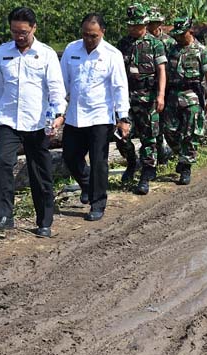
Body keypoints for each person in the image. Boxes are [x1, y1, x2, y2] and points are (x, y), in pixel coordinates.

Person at [0, 6, 66, 238]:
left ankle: (44, 220)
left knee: (39, 170)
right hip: (9, 120)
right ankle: (4, 215)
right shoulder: (3, 53)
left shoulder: (46, 54)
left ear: (34, 28)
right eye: (14, 32)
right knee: (3, 162)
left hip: (38, 122)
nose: (19, 36)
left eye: (23, 32)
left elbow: (56, 90)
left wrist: (57, 115)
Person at [60, 13, 129, 221]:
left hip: (100, 115)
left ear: (102, 33)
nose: (88, 40)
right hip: (75, 114)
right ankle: (89, 185)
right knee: (70, 156)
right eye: (85, 35)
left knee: (99, 161)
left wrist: (123, 117)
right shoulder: (71, 49)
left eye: (93, 36)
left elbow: (119, 87)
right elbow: (61, 82)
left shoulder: (112, 54)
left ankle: (98, 202)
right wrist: (56, 110)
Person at [116, 4, 167, 195]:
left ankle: (146, 174)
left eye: (136, 25)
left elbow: (162, 71)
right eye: (130, 25)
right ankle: (131, 163)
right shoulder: (122, 44)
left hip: (149, 99)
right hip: (127, 100)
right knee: (121, 136)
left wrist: (161, 95)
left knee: (149, 139)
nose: (132, 29)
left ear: (144, 24)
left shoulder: (155, 44)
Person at [164, 17, 207, 185]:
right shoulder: (172, 49)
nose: (178, 38)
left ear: (190, 32)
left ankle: (186, 167)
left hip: (192, 95)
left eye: (181, 34)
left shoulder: (201, 51)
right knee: (169, 131)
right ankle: (181, 156)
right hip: (172, 95)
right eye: (176, 35)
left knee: (190, 133)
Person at [147, 6, 175, 166]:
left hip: (169, 89)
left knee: (169, 126)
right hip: (150, 89)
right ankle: (159, 155)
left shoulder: (169, 42)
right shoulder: (143, 42)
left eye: (156, 22)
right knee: (154, 125)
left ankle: (172, 151)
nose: (154, 26)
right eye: (151, 22)